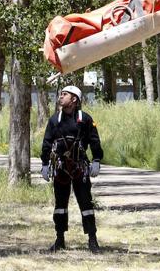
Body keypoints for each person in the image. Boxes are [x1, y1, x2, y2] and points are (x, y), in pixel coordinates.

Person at [40, 85, 104, 253]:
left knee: (86, 204)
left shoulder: (85, 119)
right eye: (61, 94)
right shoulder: (55, 120)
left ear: (74, 99)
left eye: (65, 94)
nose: (61, 97)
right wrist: (45, 164)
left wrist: (97, 159)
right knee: (60, 205)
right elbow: (47, 142)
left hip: (80, 169)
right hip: (61, 169)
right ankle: (59, 239)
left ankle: (92, 240)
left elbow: (94, 141)